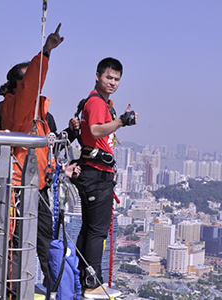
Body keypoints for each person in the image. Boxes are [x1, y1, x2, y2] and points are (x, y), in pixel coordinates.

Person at [0, 23, 81, 293]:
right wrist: (45, 53)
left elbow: (48, 151)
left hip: (41, 187)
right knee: (15, 244)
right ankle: (12, 292)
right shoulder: (15, 108)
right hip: (20, 189)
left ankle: (53, 291)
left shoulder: (40, 116)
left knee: (45, 243)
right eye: (26, 84)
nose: (33, 88)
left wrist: (62, 165)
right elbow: (30, 86)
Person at [73, 57, 138, 297]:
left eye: (117, 79)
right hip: (97, 174)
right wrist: (121, 121)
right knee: (97, 231)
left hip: (94, 171)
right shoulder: (97, 102)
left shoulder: (97, 102)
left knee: (90, 229)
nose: (112, 82)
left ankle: (84, 278)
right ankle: (92, 283)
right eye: (109, 77)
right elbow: (95, 130)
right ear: (98, 75)